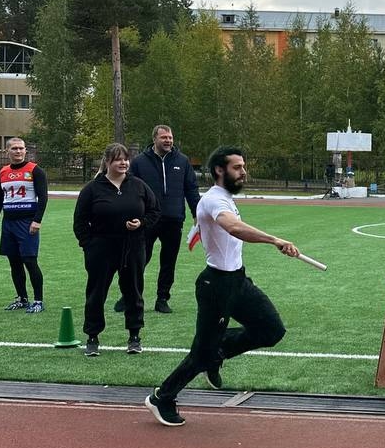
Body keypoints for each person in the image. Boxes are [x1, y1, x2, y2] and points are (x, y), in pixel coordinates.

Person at [146, 145, 301, 427]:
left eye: (243, 167)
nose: (244, 172)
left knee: (271, 329)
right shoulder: (213, 200)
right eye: (237, 167)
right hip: (215, 285)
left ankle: (217, 353)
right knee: (200, 353)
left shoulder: (226, 198)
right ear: (220, 170)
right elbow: (234, 228)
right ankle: (162, 397)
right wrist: (274, 240)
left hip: (238, 281)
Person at [73, 143, 159, 358]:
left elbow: (154, 211)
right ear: (107, 162)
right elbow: (80, 221)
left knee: (134, 292)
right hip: (101, 249)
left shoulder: (138, 185)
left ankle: (134, 336)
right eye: (118, 159)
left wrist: (141, 223)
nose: (123, 163)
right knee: (96, 293)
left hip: (133, 247)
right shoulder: (92, 189)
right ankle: (92, 337)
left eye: (125, 159)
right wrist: (89, 246)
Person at [113, 124, 200, 315]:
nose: (168, 140)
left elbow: (191, 189)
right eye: (164, 137)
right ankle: (129, 296)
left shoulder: (182, 161)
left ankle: (162, 299)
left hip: (174, 219)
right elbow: (129, 189)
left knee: (168, 262)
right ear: (154, 139)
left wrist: (197, 213)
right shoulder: (139, 162)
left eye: (170, 137)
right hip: (146, 219)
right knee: (138, 260)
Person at [0, 138, 48, 314]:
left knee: (30, 260)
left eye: (21, 148)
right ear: (7, 151)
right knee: (14, 261)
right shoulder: (3, 172)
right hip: (8, 223)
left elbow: (43, 197)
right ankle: (22, 298)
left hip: (27, 222)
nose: (18, 151)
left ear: (25, 150)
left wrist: (37, 220)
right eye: (14, 148)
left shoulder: (35, 170)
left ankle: (38, 300)